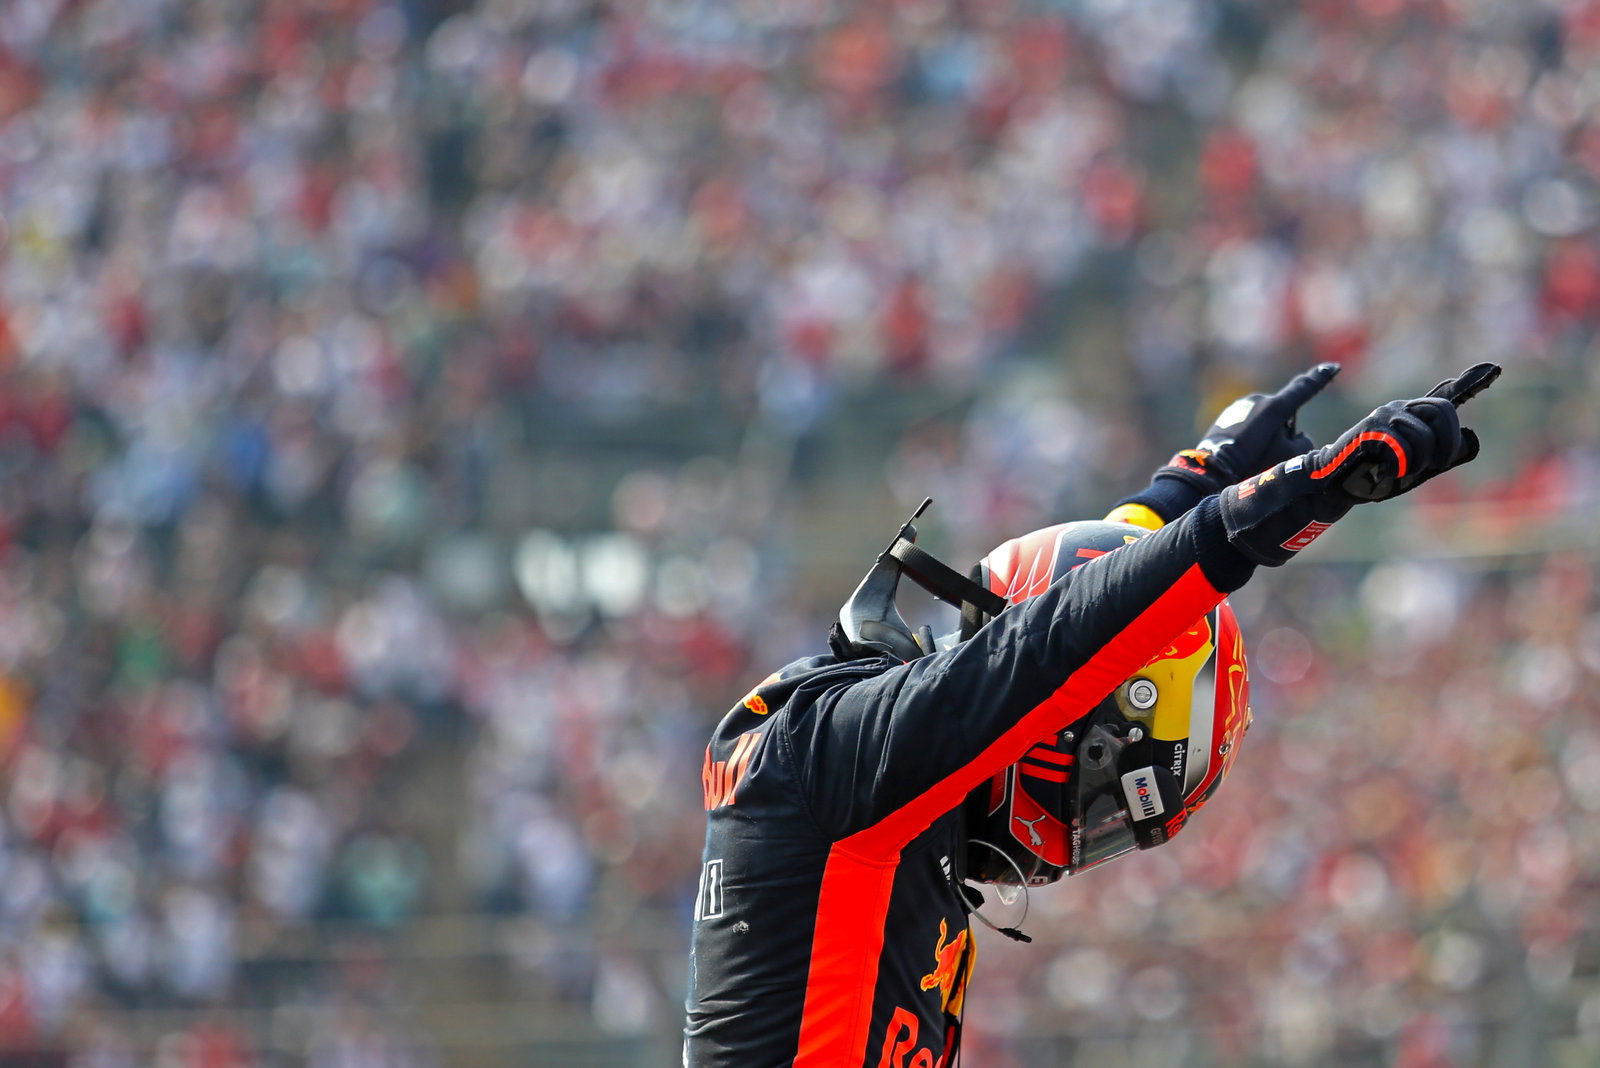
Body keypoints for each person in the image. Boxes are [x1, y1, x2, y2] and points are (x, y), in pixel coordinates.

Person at [682, 362, 1501, 1067]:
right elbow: (1051, 643)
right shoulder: (826, 755)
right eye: (1103, 790)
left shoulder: (860, 764)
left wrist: (1194, 481)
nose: (1078, 840)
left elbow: (1049, 611)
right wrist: (1288, 500)